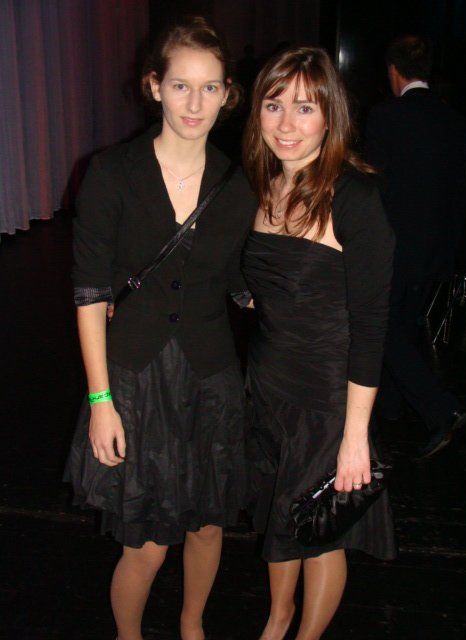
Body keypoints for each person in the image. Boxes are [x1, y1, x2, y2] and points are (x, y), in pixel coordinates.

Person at [64, 17, 256, 640]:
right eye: (180, 86)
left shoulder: (240, 184)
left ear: (227, 94)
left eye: (209, 88)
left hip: (211, 375)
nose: (194, 104)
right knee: (144, 544)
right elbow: (90, 294)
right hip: (136, 380)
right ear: (154, 87)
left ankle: (192, 626)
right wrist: (101, 401)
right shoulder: (112, 173)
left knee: (208, 526)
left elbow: (243, 273)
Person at [242, 47, 396, 640]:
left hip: (328, 398)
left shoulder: (353, 197)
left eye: (305, 108)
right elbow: (248, 278)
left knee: (318, 530)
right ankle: (276, 620)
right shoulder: (260, 187)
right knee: (278, 513)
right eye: (274, 105)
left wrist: (355, 436)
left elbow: (372, 324)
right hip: (268, 386)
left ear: (330, 116)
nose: (286, 124)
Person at [366, 35, 466, 458]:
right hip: (438, 250)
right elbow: (462, 192)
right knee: (403, 327)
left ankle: (442, 409)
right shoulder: (455, 121)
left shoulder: (385, 117)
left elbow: (375, 188)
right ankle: (391, 409)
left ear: (394, 71)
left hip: (395, 248)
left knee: (382, 330)